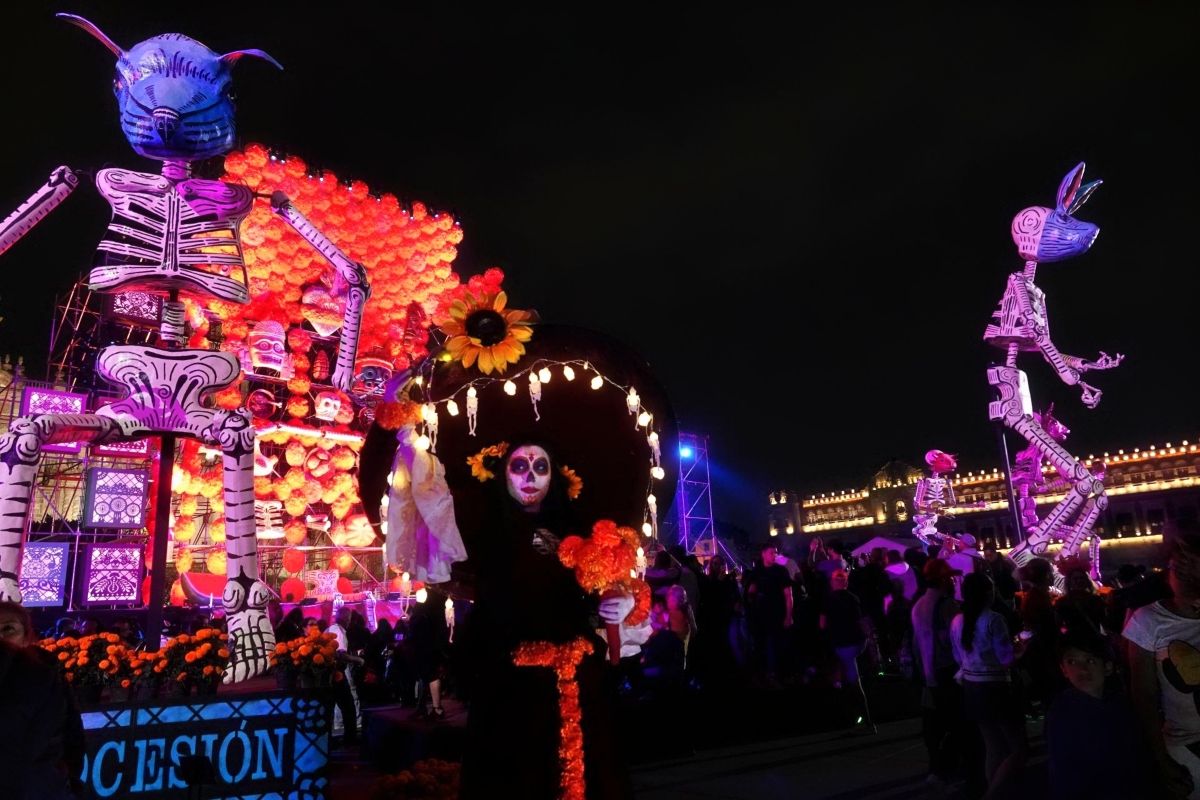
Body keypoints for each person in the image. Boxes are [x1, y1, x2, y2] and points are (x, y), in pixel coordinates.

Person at [459, 438, 638, 799]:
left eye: (540, 467)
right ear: (502, 475)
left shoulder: (576, 527)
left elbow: (605, 584)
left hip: (576, 675)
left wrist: (623, 601)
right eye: (519, 466)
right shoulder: (483, 530)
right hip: (510, 683)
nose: (530, 476)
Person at [1124, 521, 1200, 800]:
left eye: (1191, 563)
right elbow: (1143, 695)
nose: (1181, 570)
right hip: (1187, 748)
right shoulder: (1148, 620)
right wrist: (1159, 758)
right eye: (1176, 564)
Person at [1045, 630, 1152, 800]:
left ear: (1108, 667)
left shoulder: (1120, 705)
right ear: (1063, 669)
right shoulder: (1062, 711)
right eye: (1072, 661)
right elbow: (1062, 768)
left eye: (1090, 660)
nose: (1082, 669)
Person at [951, 572, 1027, 800]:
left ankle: (992, 791)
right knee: (1018, 749)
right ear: (987, 592)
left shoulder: (957, 620)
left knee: (993, 747)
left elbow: (958, 656)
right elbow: (1006, 659)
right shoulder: (994, 619)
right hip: (995, 687)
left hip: (972, 687)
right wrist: (1022, 649)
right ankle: (992, 795)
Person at [0, 601, 85, 799]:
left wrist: (60, 782)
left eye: (8, 629)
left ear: (28, 635)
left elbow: (73, 741)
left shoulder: (47, 678)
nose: (1, 638)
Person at [820, 569, 874, 734]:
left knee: (852, 682)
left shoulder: (829, 599)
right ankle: (864, 720)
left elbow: (822, 624)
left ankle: (867, 722)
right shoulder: (853, 598)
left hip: (843, 645)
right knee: (850, 678)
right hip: (857, 642)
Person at [743, 543, 794, 688]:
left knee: (777, 646)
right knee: (760, 646)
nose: (774, 555)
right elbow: (750, 591)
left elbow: (788, 595)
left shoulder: (781, 571)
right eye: (771, 552)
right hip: (760, 617)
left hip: (777, 615)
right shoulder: (757, 571)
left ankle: (778, 674)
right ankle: (763, 674)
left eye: (775, 552)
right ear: (764, 554)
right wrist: (752, 601)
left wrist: (788, 616)